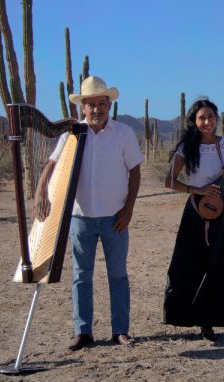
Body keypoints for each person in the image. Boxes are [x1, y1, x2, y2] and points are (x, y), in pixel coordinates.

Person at [35, 75, 143, 350]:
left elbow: (135, 171)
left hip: (115, 217)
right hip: (80, 217)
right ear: (82, 107)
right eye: (90, 104)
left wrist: (128, 210)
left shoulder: (124, 133)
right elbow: (51, 163)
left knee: (117, 274)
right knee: (81, 275)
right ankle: (83, 332)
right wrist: (40, 189)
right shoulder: (71, 133)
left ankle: (120, 330)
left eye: (101, 103)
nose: (96, 109)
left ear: (109, 104)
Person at [163, 98, 224, 341]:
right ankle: (205, 322)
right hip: (196, 211)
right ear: (194, 121)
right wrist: (197, 190)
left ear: (217, 119)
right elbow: (169, 181)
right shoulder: (186, 148)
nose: (207, 122)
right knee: (199, 264)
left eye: (211, 117)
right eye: (202, 118)